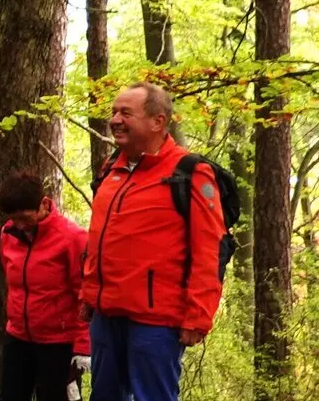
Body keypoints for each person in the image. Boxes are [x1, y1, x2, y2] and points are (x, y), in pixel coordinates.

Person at [80, 83, 225, 401]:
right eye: (114, 112)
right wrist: (89, 294)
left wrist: (198, 316)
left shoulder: (190, 173)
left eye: (126, 113)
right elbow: (100, 239)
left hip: (156, 321)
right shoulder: (111, 170)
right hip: (106, 316)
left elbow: (210, 250)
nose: (115, 119)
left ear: (158, 121)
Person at [0, 173, 89, 401]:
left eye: (25, 218)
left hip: (58, 343)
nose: (19, 225)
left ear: (44, 204)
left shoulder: (72, 238)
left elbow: (86, 294)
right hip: (17, 338)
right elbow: (13, 283)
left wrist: (83, 346)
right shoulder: (8, 235)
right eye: (13, 218)